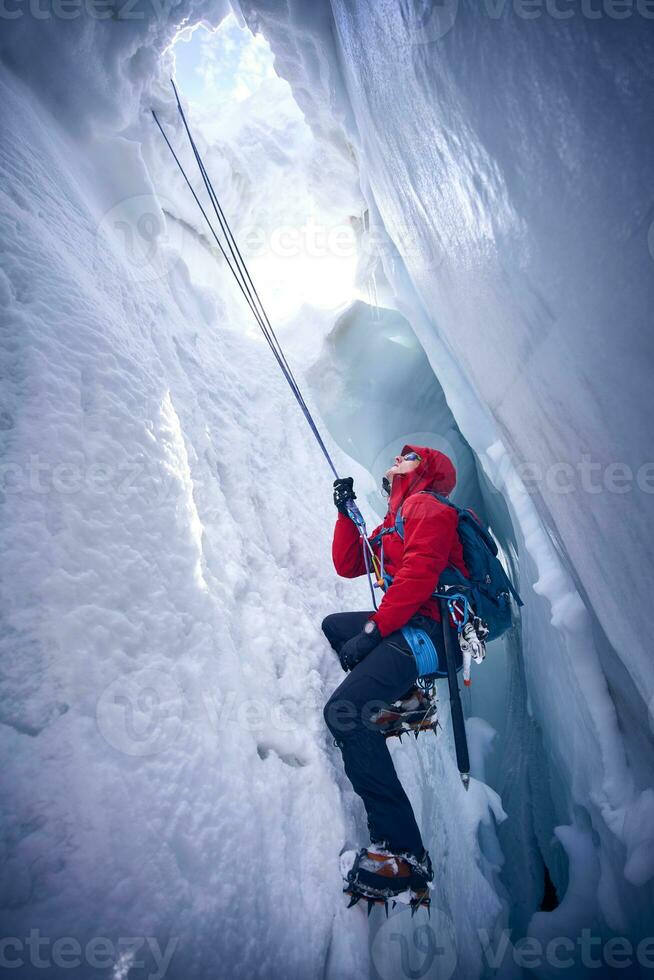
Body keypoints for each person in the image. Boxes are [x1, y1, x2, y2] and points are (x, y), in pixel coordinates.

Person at [322, 445, 468, 902]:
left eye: (407, 457)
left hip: (429, 634)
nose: (396, 458)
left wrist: (374, 630)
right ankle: (406, 703)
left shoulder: (427, 507)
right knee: (335, 627)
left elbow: (418, 578)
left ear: (422, 471)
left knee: (344, 711)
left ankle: (405, 852)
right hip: (411, 623)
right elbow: (350, 564)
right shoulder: (399, 518)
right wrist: (347, 515)